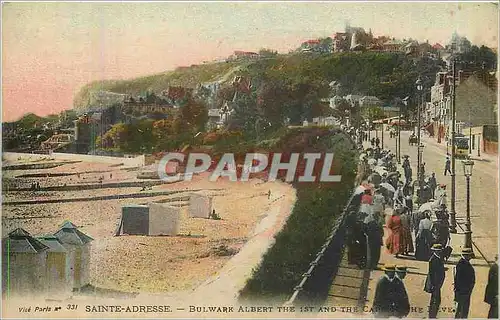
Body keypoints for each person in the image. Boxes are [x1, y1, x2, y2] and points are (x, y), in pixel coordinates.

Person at [424, 244, 446, 319]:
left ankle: (433, 315)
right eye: (438, 251)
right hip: (435, 284)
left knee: (436, 300)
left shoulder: (438, 258)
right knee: (435, 300)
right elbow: (432, 273)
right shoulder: (433, 260)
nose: (440, 252)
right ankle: (432, 316)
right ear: (434, 251)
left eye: (440, 251)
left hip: (437, 284)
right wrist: (433, 285)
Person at [454, 248, 476, 318]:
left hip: (465, 292)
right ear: (465, 255)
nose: (470, 257)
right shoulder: (461, 264)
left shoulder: (464, 263)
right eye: (469, 256)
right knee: (462, 311)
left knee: (462, 310)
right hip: (463, 292)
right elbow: (459, 280)